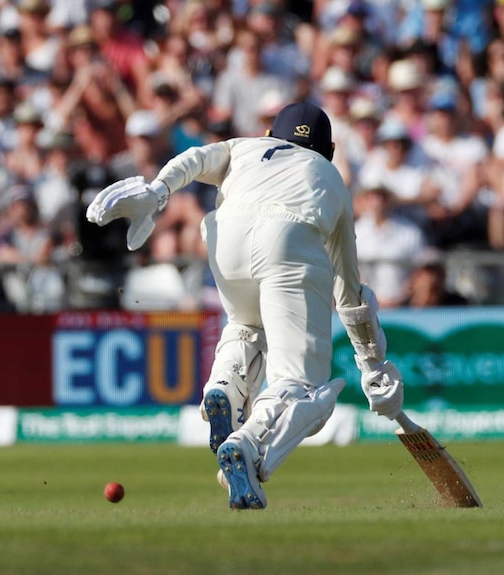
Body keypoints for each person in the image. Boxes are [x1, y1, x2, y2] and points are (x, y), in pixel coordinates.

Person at [86, 102, 405, 509]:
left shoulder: (245, 147)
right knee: (305, 386)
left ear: (271, 135)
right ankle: (248, 444)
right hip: (287, 241)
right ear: (329, 150)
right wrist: (374, 365)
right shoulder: (330, 178)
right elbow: (349, 293)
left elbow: (196, 158)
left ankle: (225, 386)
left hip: (225, 241)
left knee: (245, 325)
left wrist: (158, 189)